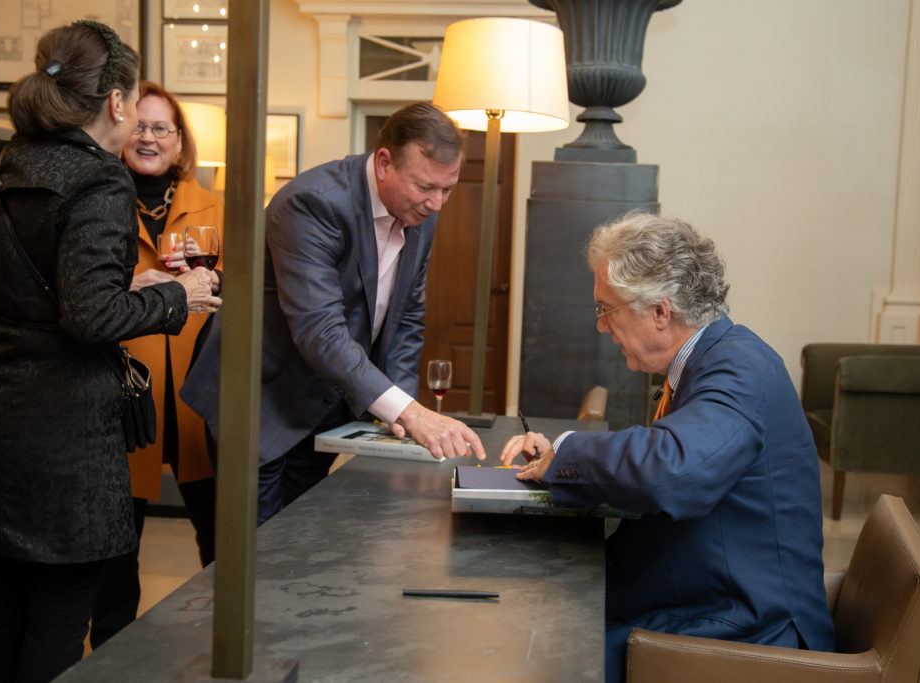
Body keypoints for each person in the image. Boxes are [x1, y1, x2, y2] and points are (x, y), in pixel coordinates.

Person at [499, 212, 835, 683]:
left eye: (606, 309)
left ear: (660, 311)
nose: (601, 327)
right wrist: (562, 460)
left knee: (535, 648)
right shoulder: (716, 359)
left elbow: (673, 469)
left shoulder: (740, 368)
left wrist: (568, 454)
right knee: (533, 612)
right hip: (709, 596)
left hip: (743, 627)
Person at [0, 21, 220, 683]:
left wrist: (127, 282)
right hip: (64, 448)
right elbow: (90, 318)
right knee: (58, 632)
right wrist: (180, 296)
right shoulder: (98, 181)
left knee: (0, 615)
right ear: (117, 103)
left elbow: (35, 287)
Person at [182, 101, 485, 525]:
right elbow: (319, 331)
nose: (437, 203)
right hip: (259, 401)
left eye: (447, 189)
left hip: (322, 402)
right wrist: (411, 414)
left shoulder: (421, 212)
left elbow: (407, 315)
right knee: (254, 557)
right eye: (424, 187)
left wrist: (395, 417)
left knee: (301, 543)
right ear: (384, 163)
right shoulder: (311, 203)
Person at [88, 80, 223, 650]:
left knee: (219, 535)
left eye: (161, 127)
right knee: (119, 546)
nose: (148, 137)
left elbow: (239, 289)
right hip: (126, 391)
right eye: (139, 125)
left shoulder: (215, 205)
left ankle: (225, 639)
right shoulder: (97, 196)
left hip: (198, 387)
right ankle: (115, 652)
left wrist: (208, 280)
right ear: (121, 131)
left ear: (179, 140)